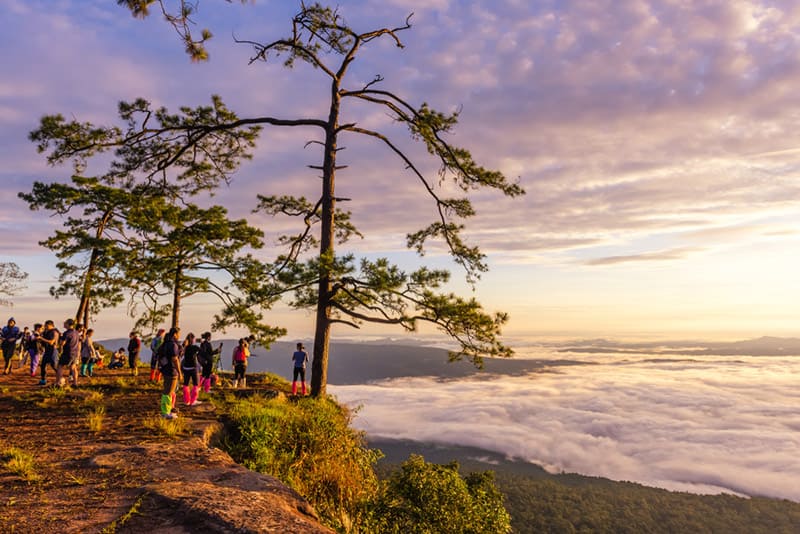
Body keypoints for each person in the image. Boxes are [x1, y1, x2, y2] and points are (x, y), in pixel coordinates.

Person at [158, 327, 182, 419]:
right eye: (179, 333)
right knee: (168, 391)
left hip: (165, 370)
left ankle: (169, 410)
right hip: (172, 371)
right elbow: (175, 359)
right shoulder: (173, 345)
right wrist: (180, 372)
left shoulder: (165, 344)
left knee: (169, 390)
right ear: (175, 334)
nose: (179, 335)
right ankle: (165, 412)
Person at [56, 319, 81, 387]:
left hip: (67, 352)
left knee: (60, 366)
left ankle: (59, 382)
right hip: (75, 352)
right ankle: (75, 383)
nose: (64, 323)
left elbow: (62, 343)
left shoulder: (67, 333)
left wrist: (60, 338)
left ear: (68, 324)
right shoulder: (76, 332)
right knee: (73, 367)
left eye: (65, 323)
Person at [180, 333, 201, 406]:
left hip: (186, 368)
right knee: (196, 384)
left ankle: (186, 401)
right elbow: (202, 352)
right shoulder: (194, 347)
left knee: (186, 384)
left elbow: (181, 354)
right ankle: (193, 400)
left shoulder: (185, 347)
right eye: (194, 339)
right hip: (193, 368)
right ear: (192, 339)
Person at [38, 320, 59, 385]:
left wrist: (41, 338)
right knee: (43, 365)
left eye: (46, 325)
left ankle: (60, 377)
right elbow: (43, 341)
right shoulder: (46, 332)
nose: (45, 327)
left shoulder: (54, 332)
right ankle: (43, 380)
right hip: (47, 351)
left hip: (53, 351)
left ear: (51, 325)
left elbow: (51, 342)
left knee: (54, 365)